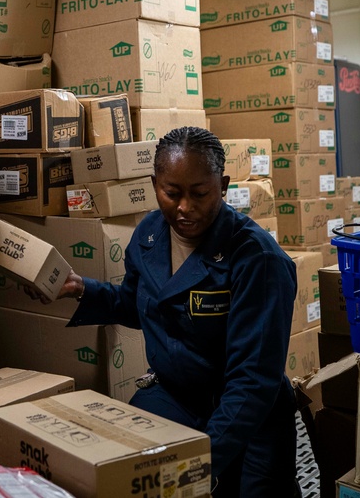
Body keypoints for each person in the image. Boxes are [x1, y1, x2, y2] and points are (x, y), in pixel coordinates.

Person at [52, 126, 300, 497]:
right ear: (155, 185)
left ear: (223, 185)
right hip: (176, 396)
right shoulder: (151, 233)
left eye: (200, 193)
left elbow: (253, 381)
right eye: (172, 193)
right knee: (135, 471)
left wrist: (202, 462)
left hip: (247, 412)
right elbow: (139, 306)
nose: (185, 207)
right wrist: (82, 289)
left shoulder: (258, 259)